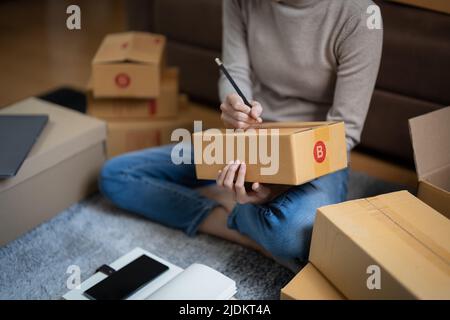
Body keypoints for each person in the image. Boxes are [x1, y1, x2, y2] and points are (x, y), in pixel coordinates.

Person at [99, 0, 383, 271]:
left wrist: (273, 190)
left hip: (319, 153)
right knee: (116, 176)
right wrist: (235, 106)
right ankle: (237, 224)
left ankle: (241, 209)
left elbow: (344, 132)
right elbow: (233, 70)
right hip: (249, 139)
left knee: (297, 233)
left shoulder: (360, 16)